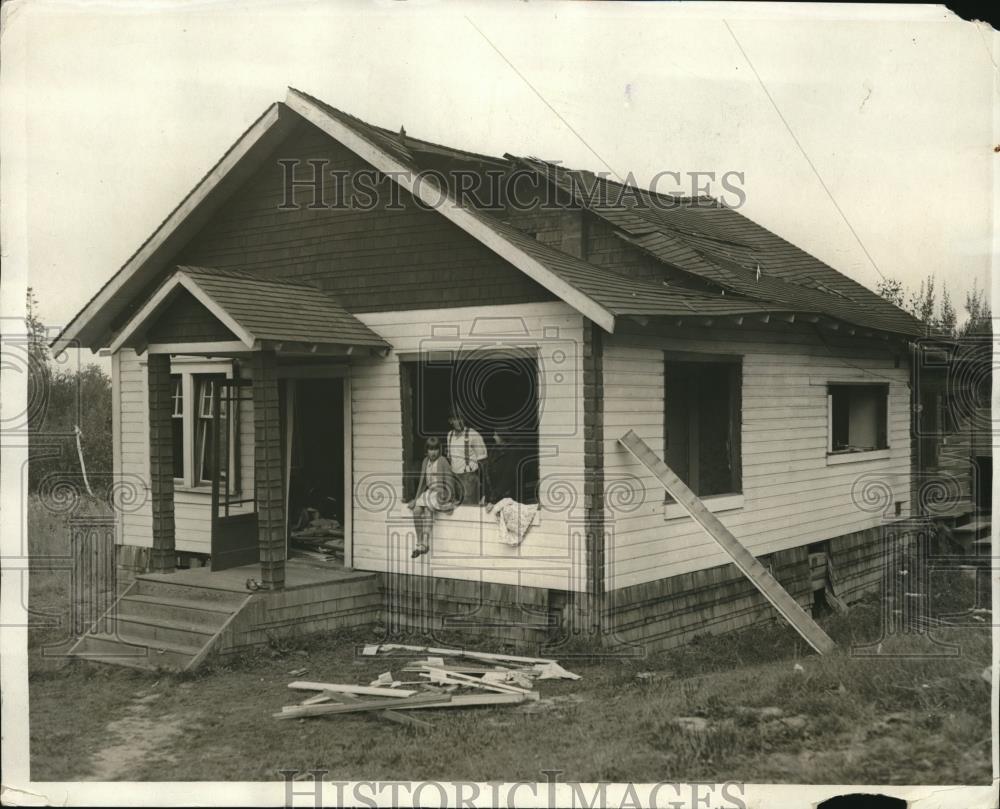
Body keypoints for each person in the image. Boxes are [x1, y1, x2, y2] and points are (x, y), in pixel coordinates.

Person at [406, 436, 457, 558]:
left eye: (435, 449)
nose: (433, 452)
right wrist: (416, 498)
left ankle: (425, 543)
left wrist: (449, 496)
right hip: (429, 492)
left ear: (439, 450)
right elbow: (422, 482)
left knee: (429, 509)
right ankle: (418, 541)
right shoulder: (425, 461)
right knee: (416, 511)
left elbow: (450, 480)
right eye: (430, 449)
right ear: (426, 450)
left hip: (440, 492)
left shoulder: (443, 461)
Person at [446, 408, 488, 506]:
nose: (459, 421)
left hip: (469, 478)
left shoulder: (473, 434)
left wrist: (483, 487)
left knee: (469, 509)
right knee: (457, 510)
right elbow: (450, 457)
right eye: (456, 419)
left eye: (461, 418)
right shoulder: (450, 435)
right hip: (455, 478)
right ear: (451, 421)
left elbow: (483, 460)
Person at [483, 430, 522, 512]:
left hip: (507, 497)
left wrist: (493, 499)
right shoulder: (494, 450)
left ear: (503, 436)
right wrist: (486, 496)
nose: (493, 437)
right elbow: (488, 474)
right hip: (495, 496)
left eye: (496, 435)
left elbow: (507, 478)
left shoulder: (512, 452)